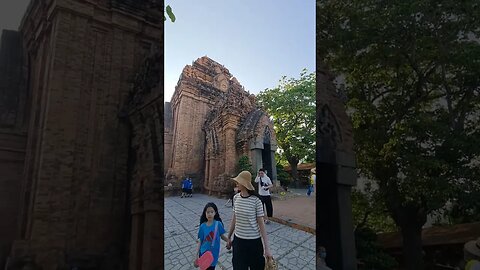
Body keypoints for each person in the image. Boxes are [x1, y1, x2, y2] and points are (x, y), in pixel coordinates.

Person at [226, 170, 273, 269]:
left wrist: (267, 248)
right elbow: (234, 219)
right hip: (238, 241)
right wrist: (229, 237)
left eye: (238, 182)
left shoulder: (256, 201)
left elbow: (261, 225)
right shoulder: (236, 198)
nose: (237, 183)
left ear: (244, 184)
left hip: (254, 242)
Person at [194, 202, 229, 270]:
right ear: (205, 213)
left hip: (214, 253)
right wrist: (196, 255)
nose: (209, 214)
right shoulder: (202, 226)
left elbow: (222, 236)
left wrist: (229, 241)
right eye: (208, 212)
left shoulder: (218, 224)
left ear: (215, 213)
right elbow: (200, 241)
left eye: (211, 212)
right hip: (203, 253)